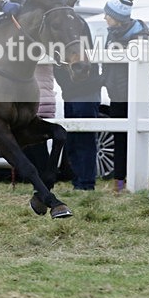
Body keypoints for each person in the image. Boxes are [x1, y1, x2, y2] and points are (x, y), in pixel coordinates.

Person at [101, 0, 149, 192]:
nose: (105, 17)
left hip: (138, 96)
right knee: (119, 137)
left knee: (142, 138)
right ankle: (118, 182)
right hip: (116, 94)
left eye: (108, 14)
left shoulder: (140, 35)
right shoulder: (111, 33)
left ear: (116, 17)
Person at [54, 24, 101, 191]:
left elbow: (82, 57)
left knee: (85, 139)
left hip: (85, 92)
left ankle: (86, 184)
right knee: (73, 140)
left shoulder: (78, 26)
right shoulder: (60, 28)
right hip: (70, 93)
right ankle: (78, 182)